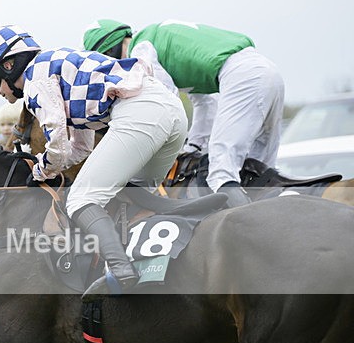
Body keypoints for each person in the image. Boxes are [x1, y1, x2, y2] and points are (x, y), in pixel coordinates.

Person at [0, 25, 187, 298]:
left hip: (142, 112)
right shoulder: (56, 69)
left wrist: (41, 169)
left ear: (9, 66)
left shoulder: (36, 80)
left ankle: (121, 271)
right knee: (136, 192)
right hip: (172, 112)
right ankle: (156, 261)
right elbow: (80, 147)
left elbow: (57, 143)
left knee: (81, 200)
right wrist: (49, 164)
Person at [82, 19, 285, 206]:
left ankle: (251, 229)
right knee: (259, 170)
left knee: (221, 172)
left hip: (243, 77)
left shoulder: (140, 50)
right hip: (268, 72)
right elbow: (206, 103)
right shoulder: (159, 42)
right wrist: (194, 145)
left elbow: (166, 100)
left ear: (110, 52)